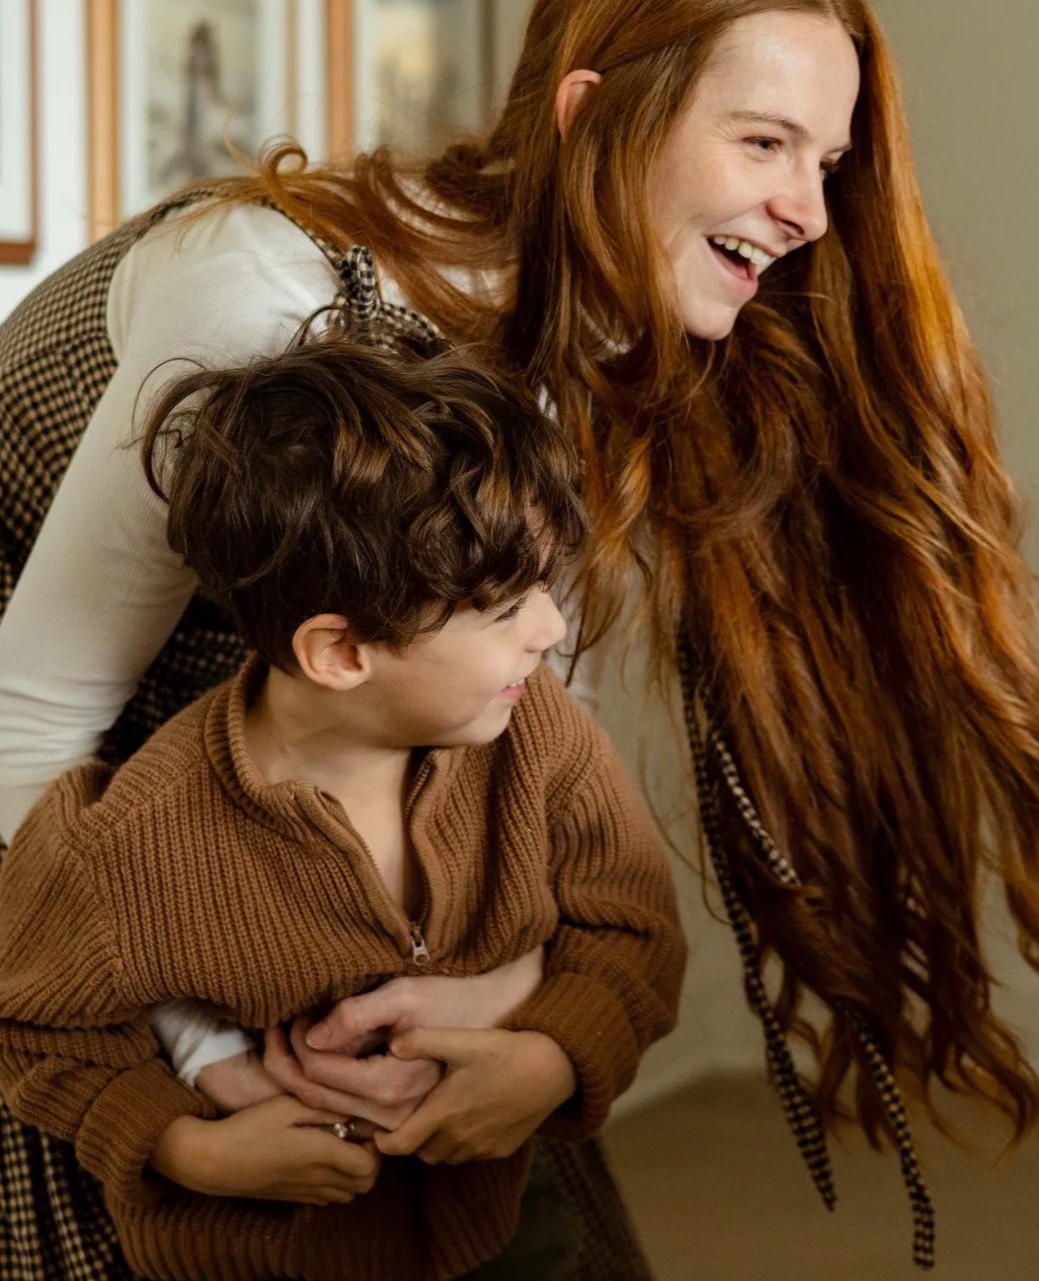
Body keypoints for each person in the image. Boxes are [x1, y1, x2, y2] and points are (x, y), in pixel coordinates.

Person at [0, 0, 1039, 1279]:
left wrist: (508, 1005)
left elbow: (526, 747)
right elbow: (30, 723)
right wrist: (202, 1063)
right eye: (762, 141)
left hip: (328, 828)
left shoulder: (582, 344)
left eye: (825, 160)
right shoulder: (258, 298)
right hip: (66, 881)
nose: (808, 211)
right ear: (593, 113)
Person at [0, 336, 686, 1281]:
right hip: (264, 1254)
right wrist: (182, 1147)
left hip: (499, 1216)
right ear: (339, 654)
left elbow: (634, 928)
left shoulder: (539, 738)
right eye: (505, 610)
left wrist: (552, 1060)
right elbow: (35, 1025)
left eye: (543, 587)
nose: (551, 628)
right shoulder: (131, 845)